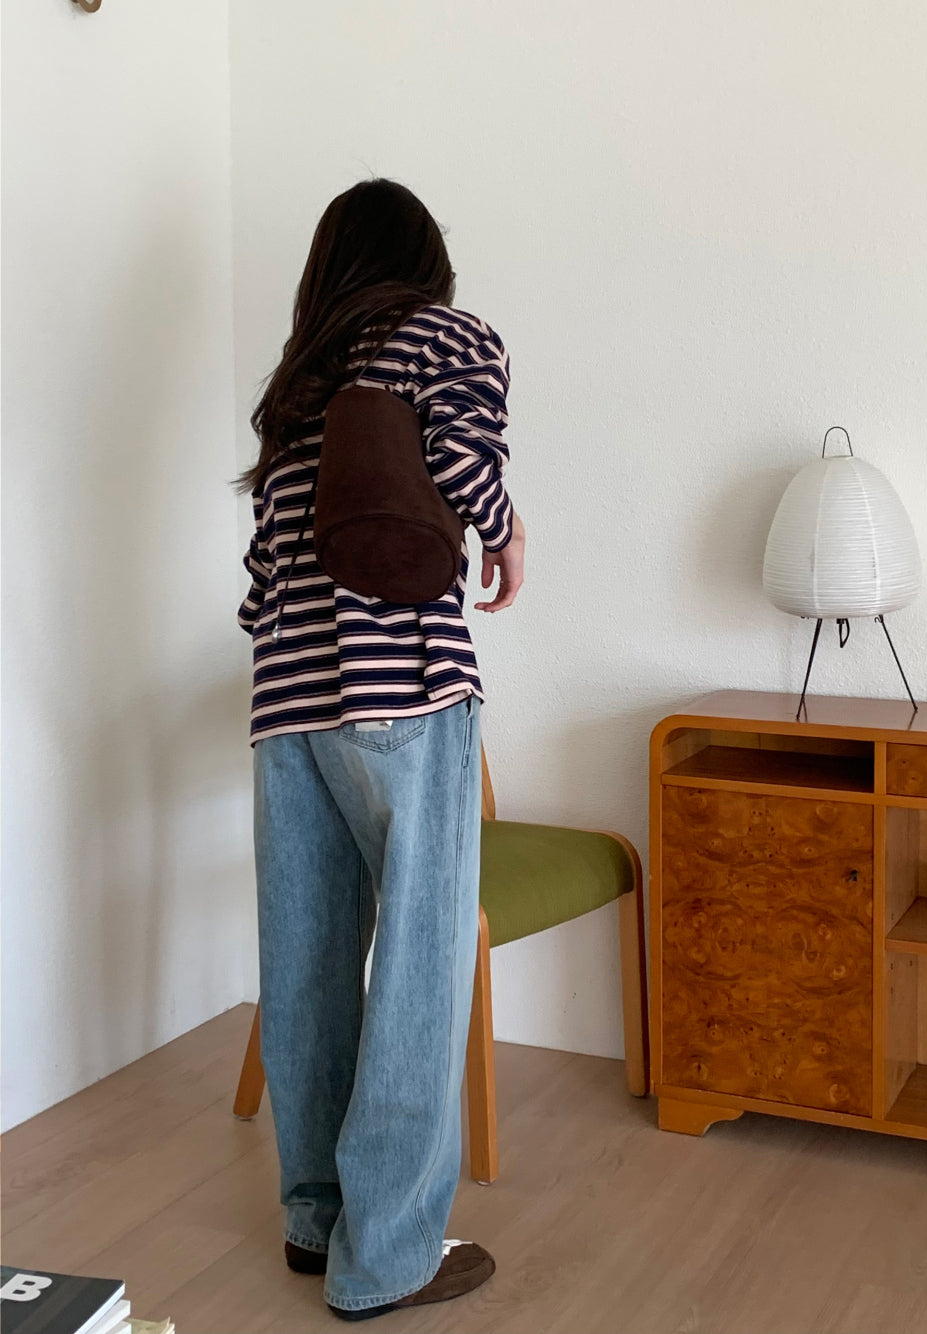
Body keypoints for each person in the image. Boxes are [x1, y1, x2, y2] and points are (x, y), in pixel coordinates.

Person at [235, 178, 525, 1322]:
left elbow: (264, 567)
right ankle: (389, 1256)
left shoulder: (299, 379)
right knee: (418, 964)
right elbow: (462, 462)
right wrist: (506, 533)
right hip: (402, 684)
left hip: (286, 703)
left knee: (306, 957)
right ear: (421, 259)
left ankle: (314, 1221)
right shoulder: (444, 335)